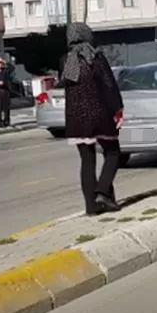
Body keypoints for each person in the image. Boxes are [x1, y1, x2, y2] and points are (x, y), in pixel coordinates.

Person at [61, 23, 123, 216]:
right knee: (113, 152)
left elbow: (68, 86)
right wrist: (117, 108)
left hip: (76, 118)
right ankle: (102, 192)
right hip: (99, 114)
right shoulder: (95, 57)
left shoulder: (66, 60)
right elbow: (108, 86)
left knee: (87, 161)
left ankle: (91, 207)